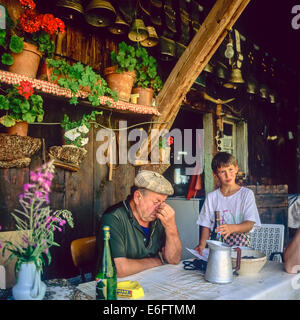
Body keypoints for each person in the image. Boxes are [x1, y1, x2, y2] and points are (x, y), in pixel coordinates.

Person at [96, 170, 182, 278]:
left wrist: (171, 227)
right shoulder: (113, 218)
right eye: (156, 202)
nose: (161, 207)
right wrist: (157, 262)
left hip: (151, 281)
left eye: (163, 202)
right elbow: (119, 269)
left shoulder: (159, 217)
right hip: (113, 287)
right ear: (137, 197)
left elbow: (174, 259)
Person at [195, 152, 261, 255]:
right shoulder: (212, 197)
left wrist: (232, 228)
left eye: (230, 169)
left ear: (236, 168)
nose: (227, 175)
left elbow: (250, 224)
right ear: (215, 174)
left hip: (241, 248)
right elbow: (206, 225)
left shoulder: (246, 194)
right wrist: (202, 246)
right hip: (218, 247)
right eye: (222, 172)